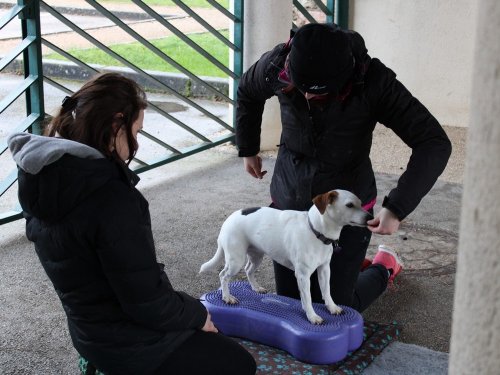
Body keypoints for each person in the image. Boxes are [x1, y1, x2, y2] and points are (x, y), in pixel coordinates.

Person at [8, 73, 256, 375]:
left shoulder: (45, 177)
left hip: (89, 335)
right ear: (116, 125)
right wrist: (197, 313)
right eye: (135, 131)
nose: (136, 143)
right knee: (240, 364)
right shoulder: (109, 198)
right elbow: (147, 304)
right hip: (132, 347)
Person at [235, 23, 452, 312]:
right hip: (291, 202)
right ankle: (348, 267)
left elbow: (433, 142)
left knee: (336, 306)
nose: (309, 98)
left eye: (321, 95)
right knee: (294, 305)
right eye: (299, 89)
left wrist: (397, 207)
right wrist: (248, 148)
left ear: (344, 81)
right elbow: (248, 92)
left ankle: (383, 267)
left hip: (346, 207)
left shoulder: (373, 81)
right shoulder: (277, 64)